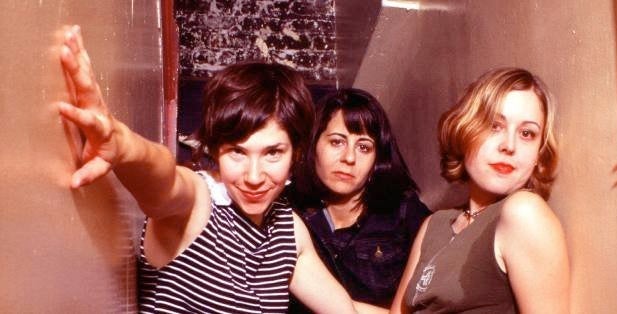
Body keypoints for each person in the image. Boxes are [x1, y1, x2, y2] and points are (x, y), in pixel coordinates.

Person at [57, 25, 383, 314]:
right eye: (237, 152)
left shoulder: (288, 228)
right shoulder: (198, 204)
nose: (254, 177)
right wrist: (122, 145)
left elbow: (343, 309)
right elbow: (165, 181)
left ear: (296, 153)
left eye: (273, 153)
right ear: (215, 150)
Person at [390, 67, 570, 313]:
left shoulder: (524, 213)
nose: (509, 145)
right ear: (465, 132)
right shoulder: (434, 224)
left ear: (539, 154)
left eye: (527, 133)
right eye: (494, 126)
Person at [287, 88, 431, 312]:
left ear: (377, 160)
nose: (349, 158)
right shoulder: (287, 210)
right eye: (337, 142)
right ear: (313, 145)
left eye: (364, 147)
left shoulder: (404, 213)